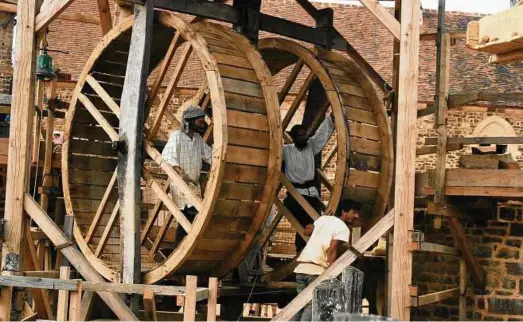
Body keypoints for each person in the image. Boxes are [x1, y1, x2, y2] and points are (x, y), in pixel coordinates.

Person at [292, 199, 361, 321]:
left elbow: (306, 231)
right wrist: (332, 273)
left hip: (301, 269)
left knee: (299, 306)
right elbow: (331, 250)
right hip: (316, 272)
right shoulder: (343, 228)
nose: (356, 216)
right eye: (354, 212)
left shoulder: (324, 219)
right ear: (344, 212)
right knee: (312, 306)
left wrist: (321, 221)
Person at [283, 113, 335, 253]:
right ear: (293, 138)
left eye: (305, 134)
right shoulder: (286, 151)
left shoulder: (311, 146)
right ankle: (301, 250)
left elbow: (321, 134)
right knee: (302, 225)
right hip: (295, 195)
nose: (304, 137)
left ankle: (312, 251)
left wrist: (330, 119)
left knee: (315, 224)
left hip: (311, 194)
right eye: (300, 136)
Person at [161, 105, 212, 244]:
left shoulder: (197, 139)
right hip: (180, 184)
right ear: (189, 121)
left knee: (190, 220)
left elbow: (210, 155)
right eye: (200, 122)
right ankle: (181, 248)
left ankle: (180, 249)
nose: (203, 125)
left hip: (193, 185)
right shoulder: (177, 136)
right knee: (190, 214)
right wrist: (179, 173)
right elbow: (167, 156)